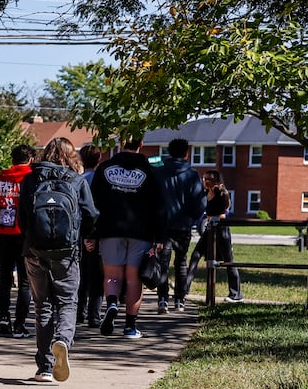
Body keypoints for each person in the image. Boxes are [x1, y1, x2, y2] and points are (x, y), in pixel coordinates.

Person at [18, 137, 99, 382]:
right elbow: (92, 215)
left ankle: (44, 367)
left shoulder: (31, 179)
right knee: (67, 301)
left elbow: (22, 217)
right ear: (70, 155)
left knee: (42, 306)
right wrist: (83, 236)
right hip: (67, 251)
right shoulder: (76, 181)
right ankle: (62, 339)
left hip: (34, 250)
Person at [89, 135, 166, 339]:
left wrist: (91, 233)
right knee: (133, 279)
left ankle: (113, 303)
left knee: (112, 275)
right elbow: (160, 206)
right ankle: (130, 326)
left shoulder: (104, 168)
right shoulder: (150, 171)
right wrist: (160, 236)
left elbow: (92, 204)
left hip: (109, 229)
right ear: (141, 145)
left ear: (121, 143)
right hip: (140, 232)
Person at [0, 142, 35, 337]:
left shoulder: (0, 179)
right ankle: (20, 324)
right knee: (25, 281)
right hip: (25, 234)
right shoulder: (31, 178)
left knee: (4, 279)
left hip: (4, 234)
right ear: (30, 159)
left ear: (12, 160)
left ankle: (4, 318)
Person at [156, 137, 205, 313]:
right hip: (183, 225)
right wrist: (192, 217)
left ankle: (162, 299)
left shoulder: (159, 172)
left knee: (163, 262)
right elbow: (200, 203)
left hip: (162, 225)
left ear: (169, 152)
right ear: (186, 153)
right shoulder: (192, 175)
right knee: (181, 262)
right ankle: (180, 300)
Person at [189, 169, 243, 301]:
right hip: (209, 228)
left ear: (215, 181)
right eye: (204, 178)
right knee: (195, 255)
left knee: (228, 261)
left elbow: (224, 211)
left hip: (221, 229)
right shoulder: (205, 193)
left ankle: (236, 295)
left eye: (207, 179)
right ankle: (184, 288)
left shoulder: (221, 193)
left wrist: (212, 217)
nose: (204, 181)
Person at [75, 143, 105, 328]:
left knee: (80, 274)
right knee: (97, 275)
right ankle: (94, 314)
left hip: (78, 230)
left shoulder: (77, 180)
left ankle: (79, 312)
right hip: (96, 231)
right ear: (99, 159)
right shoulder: (101, 181)